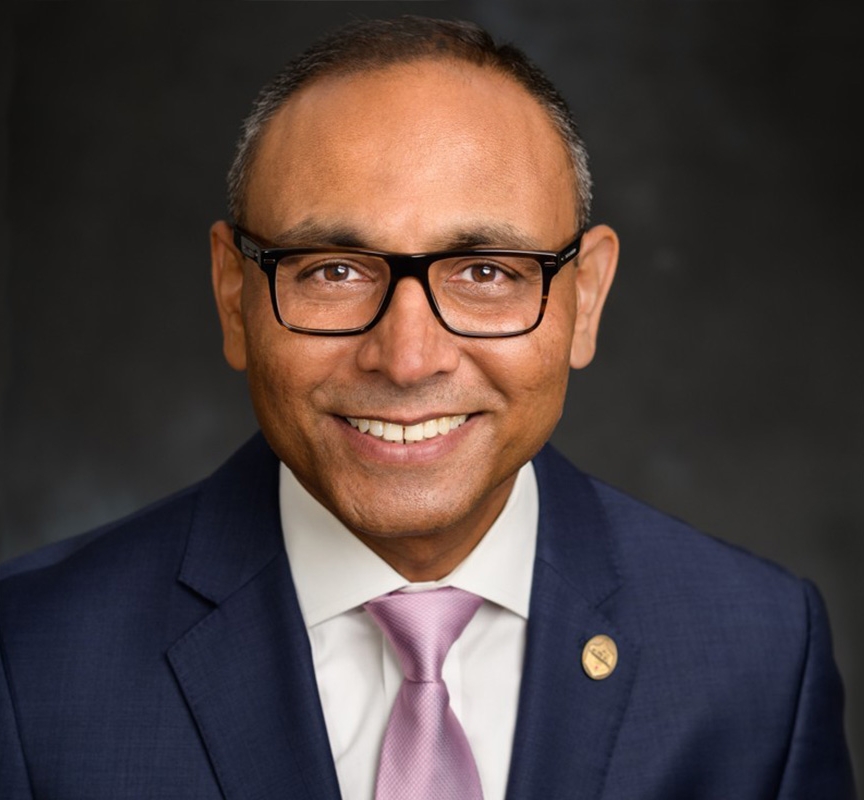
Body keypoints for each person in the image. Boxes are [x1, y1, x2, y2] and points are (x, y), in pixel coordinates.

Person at [0, 15, 855, 800]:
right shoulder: (28, 659)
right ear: (234, 297)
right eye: (333, 269)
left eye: (486, 273)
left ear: (585, 300)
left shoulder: (761, 654)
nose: (407, 360)